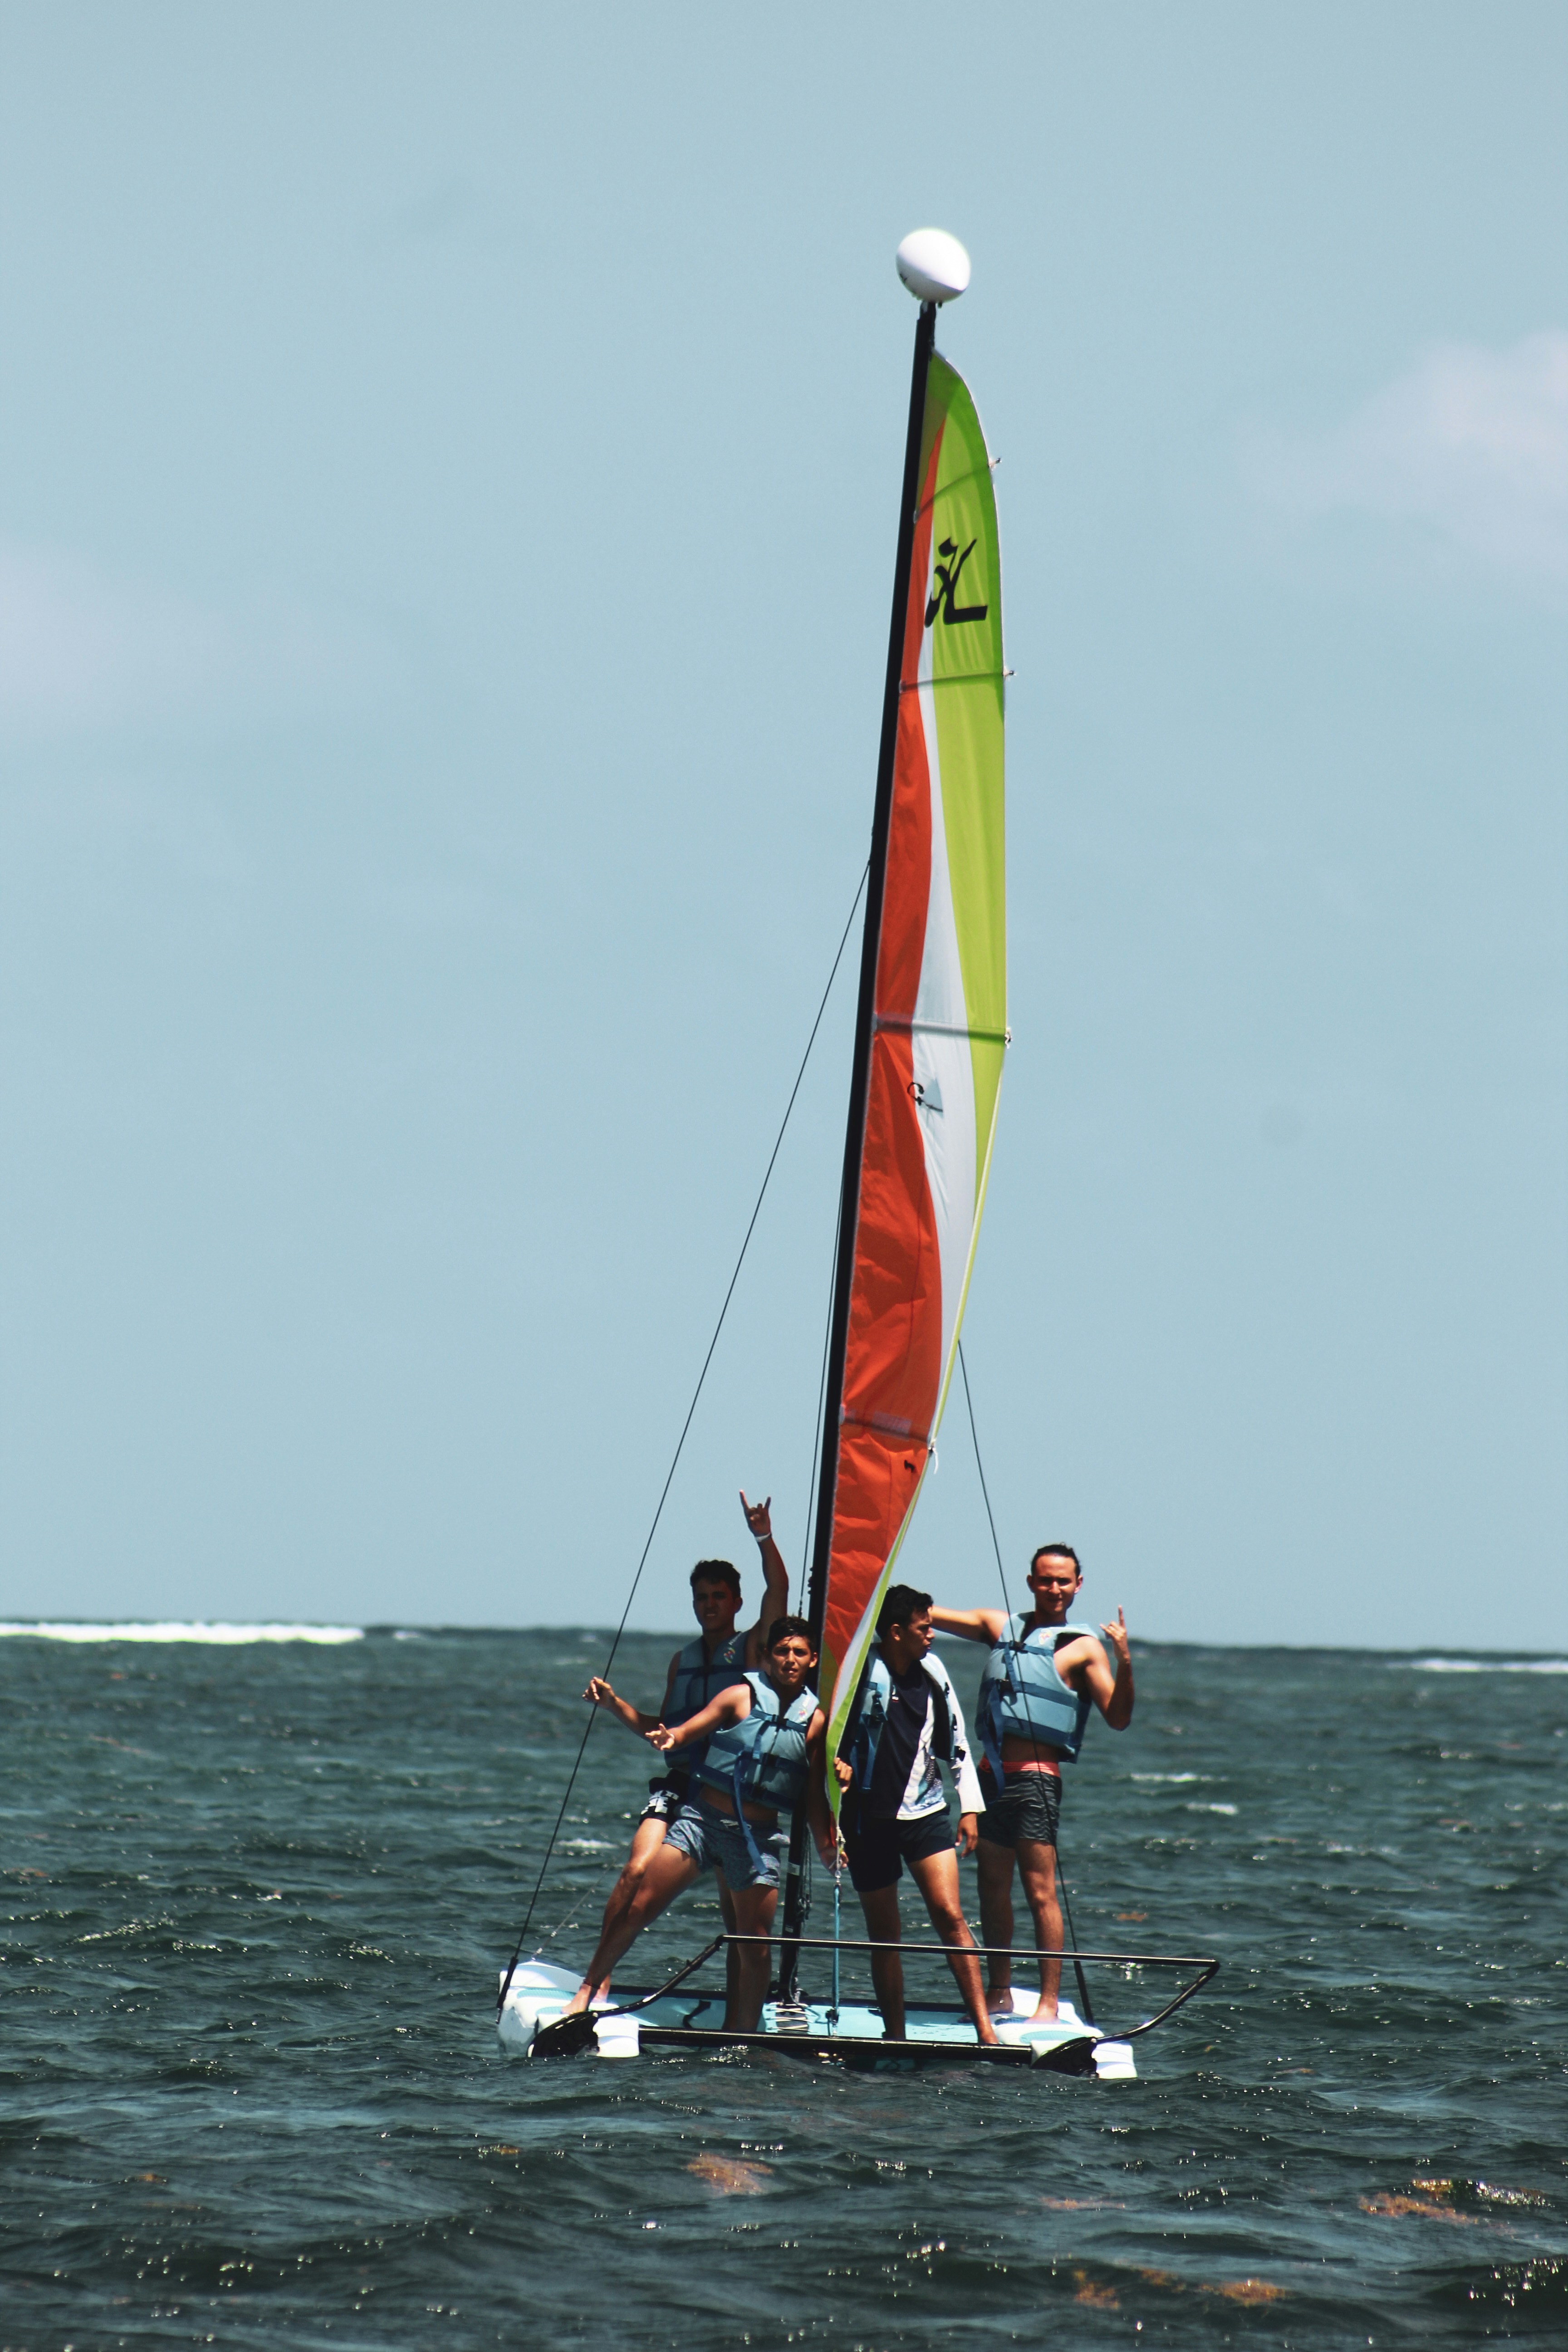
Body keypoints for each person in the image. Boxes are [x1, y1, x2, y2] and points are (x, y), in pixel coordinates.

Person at [573, 1491, 788, 2013]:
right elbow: (661, 1729)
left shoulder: (755, 1649)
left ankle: (741, 2019)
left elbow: (778, 1588)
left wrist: (764, 1536)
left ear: (735, 1603)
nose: (710, 1605)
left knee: (738, 1922)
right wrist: (615, 1703)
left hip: (728, 1795)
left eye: (719, 1597)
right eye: (702, 1598)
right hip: (679, 1788)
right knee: (634, 1871)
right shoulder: (682, 1661)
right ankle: (597, 1980)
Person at [565, 1616, 835, 2029]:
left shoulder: (815, 1722)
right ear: (767, 1657)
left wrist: (828, 1844)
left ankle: (743, 2033)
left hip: (756, 1841)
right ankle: (587, 1990)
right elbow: (690, 1729)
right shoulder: (738, 1695)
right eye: (782, 1651)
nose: (791, 1660)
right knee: (638, 1906)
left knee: (755, 1944)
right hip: (703, 1822)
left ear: (813, 1659)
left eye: (800, 1652)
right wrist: (671, 1738)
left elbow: (815, 1794)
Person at [931, 1543, 1133, 2021]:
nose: (1055, 1589)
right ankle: (999, 1991)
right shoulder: (997, 1626)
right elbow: (925, 1614)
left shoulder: (1084, 1647)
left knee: (1039, 1890)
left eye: (1064, 1581)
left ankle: (1046, 2003)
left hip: (1037, 1782)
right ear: (1030, 1583)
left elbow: (1119, 1717)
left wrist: (1125, 1659)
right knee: (992, 1888)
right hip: (991, 1778)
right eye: (1046, 1580)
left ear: (1078, 1585)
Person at [833, 1584, 999, 2048]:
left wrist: (970, 1807)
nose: (932, 1635)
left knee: (950, 1915)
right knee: (885, 1934)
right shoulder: (860, 1673)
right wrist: (837, 1772)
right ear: (895, 1632)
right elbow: (828, 1736)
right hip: (868, 1821)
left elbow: (958, 1738)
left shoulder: (932, 1670)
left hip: (926, 1812)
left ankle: (985, 2029)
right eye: (924, 1628)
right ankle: (897, 2035)